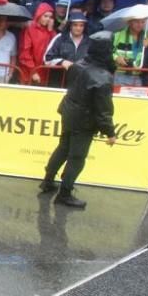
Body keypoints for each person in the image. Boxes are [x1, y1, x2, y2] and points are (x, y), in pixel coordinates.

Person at [40, 32, 118, 208]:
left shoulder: (79, 65)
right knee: (77, 157)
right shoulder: (102, 77)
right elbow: (104, 110)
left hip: (69, 112)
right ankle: (65, 193)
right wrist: (110, 132)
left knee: (63, 148)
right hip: (84, 120)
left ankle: (47, 181)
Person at [44, 13, 91, 88]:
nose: (78, 28)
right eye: (75, 25)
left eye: (81, 25)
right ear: (70, 26)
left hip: (82, 84)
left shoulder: (90, 41)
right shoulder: (60, 38)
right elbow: (47, 58)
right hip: (59, 83)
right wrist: (62, 62)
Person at [20, 3, 58, 86]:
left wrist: (50, 31)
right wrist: (33, 71)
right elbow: (25, 53)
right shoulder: (30, 29)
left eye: (50, 17)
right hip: (29, 71)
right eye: (45, 16)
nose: (48, 19)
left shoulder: (51, 31)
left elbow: (54, 48)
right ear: (39, 15)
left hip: (44, 71)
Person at [111, 16, 148, 87]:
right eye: (137, 22)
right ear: (129, 22)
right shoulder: (118, 34)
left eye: (143, 22)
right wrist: (116, 58)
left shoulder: (147, 36)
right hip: (120, 74)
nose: (140, 25)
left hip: (139, 76)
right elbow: (107, 51)